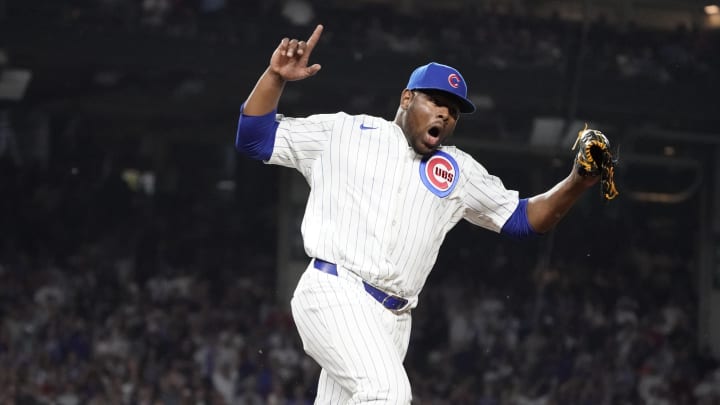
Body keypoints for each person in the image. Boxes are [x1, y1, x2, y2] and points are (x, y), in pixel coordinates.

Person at [235, 24, 600, 404]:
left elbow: (524, 220)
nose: (445, 114)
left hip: (394, 320)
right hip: (335, 291)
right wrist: (275, 77)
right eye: (436, 102)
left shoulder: (458, 170)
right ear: (407, 98)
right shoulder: (344, 132)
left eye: (454, 110)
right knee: (387, 394)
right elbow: (254, 139)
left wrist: (578, 179)